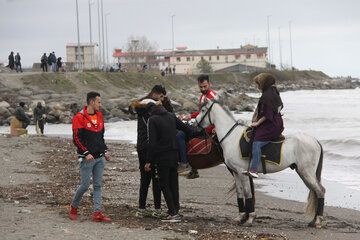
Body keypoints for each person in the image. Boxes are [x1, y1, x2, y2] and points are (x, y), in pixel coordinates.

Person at [144, 102, 192, 222]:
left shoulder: (152, 119)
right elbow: (186, 129)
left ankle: (172, 213)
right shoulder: (171, 116)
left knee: (164, 184)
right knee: (173, 183)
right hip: (174, 154)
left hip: (162, 156)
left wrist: (148, 161)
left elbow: (152, 142)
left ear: (150, 112)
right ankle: (176, 209)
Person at [69, 91, 111, 222]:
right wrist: (86, 153)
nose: (100, 104)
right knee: (85, 185)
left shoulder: (99, 116)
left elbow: (100, 137)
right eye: (99, 102)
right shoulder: (79, 117)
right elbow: (76, 138)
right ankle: (73, 207)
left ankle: (97, 213)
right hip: (87, 158)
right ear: (91, 102)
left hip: (99, 158)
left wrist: (105, 152)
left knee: (98, 185)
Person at [130, 85, 167, 218]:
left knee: (144, 179)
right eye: (161, 96)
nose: (161, 100)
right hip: (151, 146)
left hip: (141, 146)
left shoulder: (141, 104)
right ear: (156, 94)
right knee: (155, 178)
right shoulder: (152, 107)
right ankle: (157, 209)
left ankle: (141, 208)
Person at [177, 74, 217, 178]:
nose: (203, 89)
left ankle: (185, 164)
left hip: (206, 128)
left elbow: (217, 113)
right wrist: (189, 117)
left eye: (205, 86)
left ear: (209, 84)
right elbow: (201, 113)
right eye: (201, 87)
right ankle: (194, 168)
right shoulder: (203, 96)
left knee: (180, 135)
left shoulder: (211, 97)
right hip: (202, 125)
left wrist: (215, 127)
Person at [244, 73, 284, 178]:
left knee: (256, 142)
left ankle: (254, 169)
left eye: (259, 83)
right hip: (276, 122)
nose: (258, 86)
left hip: (271, 125)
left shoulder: (267, 96)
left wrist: (257, 123)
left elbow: (268, 114)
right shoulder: (273, 91)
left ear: (264, 83)